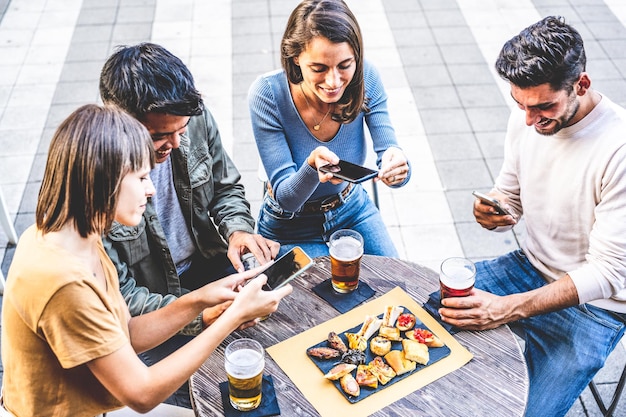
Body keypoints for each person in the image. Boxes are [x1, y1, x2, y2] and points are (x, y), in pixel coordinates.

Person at [0, 104, 291, 417]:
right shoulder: (61, 281)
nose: (151, 189)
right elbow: (141, 394)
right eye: (141, 177)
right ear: (104, 180)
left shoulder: (75, 236)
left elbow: (129, 333)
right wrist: (232, 319)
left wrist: (200, 300)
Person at [438, 16, 626, 417]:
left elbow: (609, 273)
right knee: (422, 316)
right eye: (519, 104)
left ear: (582, 84)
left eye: (543, 106)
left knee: (524, 412)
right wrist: (492, 206)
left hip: (598, 306)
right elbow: (510, 195)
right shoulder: (529, 115)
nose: (529, 119)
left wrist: (508, 308)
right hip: (530, 267)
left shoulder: (618, 148)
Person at [99, 43, 280, 407]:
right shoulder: (96, 180)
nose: (177, 143)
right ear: (120, 125)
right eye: (160, 136)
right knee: (222, 393)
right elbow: (125, 305)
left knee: (277, 350)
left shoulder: (189, 119)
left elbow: (225, 186)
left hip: (209, 270)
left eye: (181, 130)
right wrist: (200, 316)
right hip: (152, 314)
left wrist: (238, 230)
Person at [248, 0, 411, 258]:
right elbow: (286, 198)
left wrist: (398, 166)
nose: (334, 82)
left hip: (351, 208)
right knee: (307, 297)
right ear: (295, 58)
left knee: (394, 289)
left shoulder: (367, 77)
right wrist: (312, 168)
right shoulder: (267, 94)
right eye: (319, 68)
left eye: (345, 65)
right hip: (289, 224)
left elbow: (389, 150)